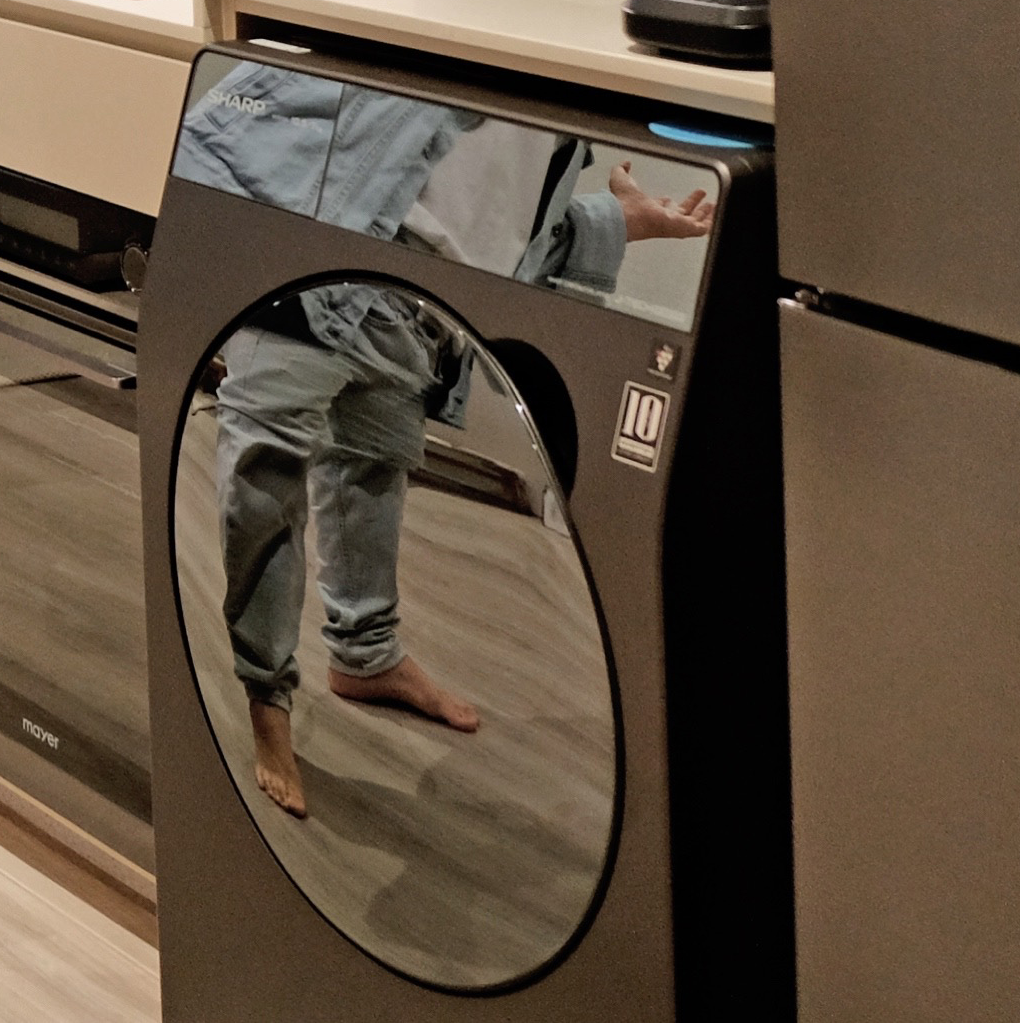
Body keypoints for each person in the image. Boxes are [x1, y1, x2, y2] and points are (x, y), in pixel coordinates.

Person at [177, 67, 715, 820]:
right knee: (264, 476)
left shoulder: (560, 93)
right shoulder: (442, 21)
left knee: (372, 473)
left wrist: (621, 220)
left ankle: (365, 657)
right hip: (322, 264)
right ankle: (267, 703)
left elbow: (497, 229)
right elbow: (260, 108)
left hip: (416, 310)